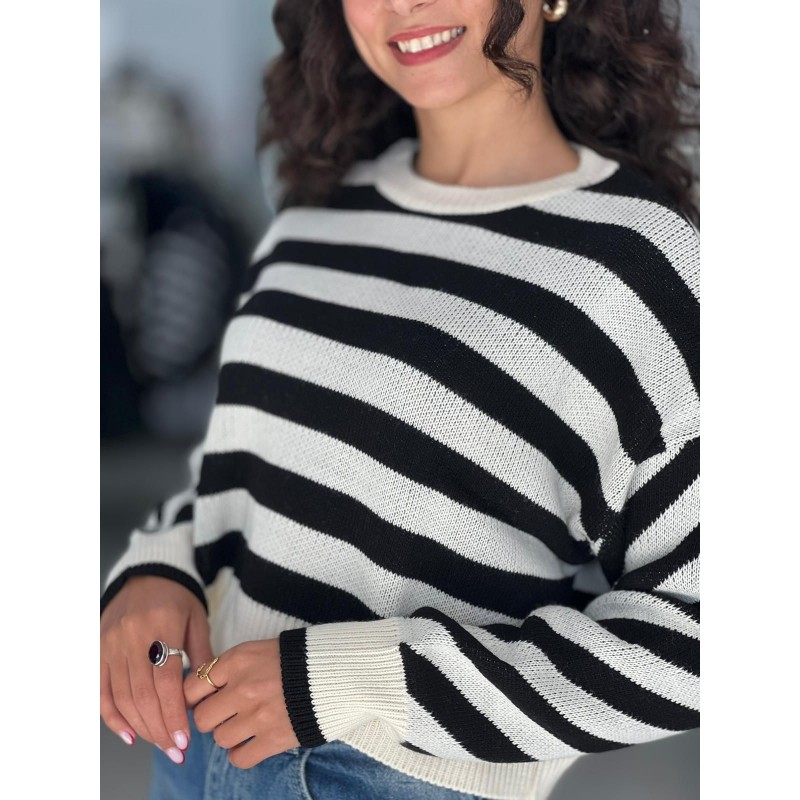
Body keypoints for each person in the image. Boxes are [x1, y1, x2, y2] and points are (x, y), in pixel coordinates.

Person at [100, 1, 699, 798]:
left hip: (386, 775)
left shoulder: (640, 265)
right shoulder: (316, 215)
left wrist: (365, 679)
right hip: (190, 747)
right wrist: (157, 570)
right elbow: (245, 477)